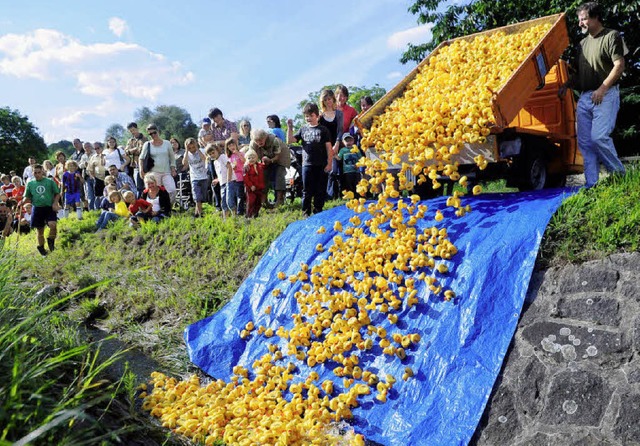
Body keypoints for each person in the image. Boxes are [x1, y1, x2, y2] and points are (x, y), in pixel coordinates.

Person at [560, 2, 626, 188]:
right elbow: (580, 74)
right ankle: (592, 184)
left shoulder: (612, 36)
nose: (580, 23)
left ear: (596, 18)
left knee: (599, 137)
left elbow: (619, 65)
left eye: (584, 19)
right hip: (586, 96)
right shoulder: (582, 44)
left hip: (606, 94)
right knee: (586, 143)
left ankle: (620, 175)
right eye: (579, 19)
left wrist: (602, 89)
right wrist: (566, 85)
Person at [286, 103, 332, 217]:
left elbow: (328, 148)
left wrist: (329, 163)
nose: (309, 118)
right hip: (307, 164)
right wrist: (290, 128)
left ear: (317, 116)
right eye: (306, 116)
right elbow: (290, 140)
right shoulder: (303, 129)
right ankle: (306, 212)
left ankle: (318, 210)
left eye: (311, 116)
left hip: (321, 164)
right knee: (307, 190)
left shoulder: (323, 129)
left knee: (320, 189)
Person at [21, 164, 61, 255]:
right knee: (40, 231)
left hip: (49, 207)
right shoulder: (30, 183)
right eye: (35, 173)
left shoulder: (49, 181)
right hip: (37, 208)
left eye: (39, 172)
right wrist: (22, 202)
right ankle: (42, 249)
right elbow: (26, 196)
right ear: (32, 173)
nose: (37, 174)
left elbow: (57, 193)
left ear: (42, 171)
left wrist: (55, 203)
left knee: (53, 225)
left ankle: (51, 240)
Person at [139, 124, 177, 203]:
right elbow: (141, 158)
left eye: (154, 133)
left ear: (158, 131)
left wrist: (173, 168)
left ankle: (168, 208)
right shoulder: (147, 144)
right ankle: (157, 209)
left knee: (172, 190)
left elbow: (172, 157)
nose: (153, 135)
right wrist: (141, 170)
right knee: (155, 192)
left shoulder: (167, 143)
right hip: (154, 172)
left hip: (166, 171)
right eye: (150, 134)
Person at [319, 89, 344, 199]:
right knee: (324, 170)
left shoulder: (339, 114)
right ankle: (325, 195)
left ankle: (333, 194)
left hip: (335, 144)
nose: (328, 101)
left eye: (329, 99)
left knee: (333, 170)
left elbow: (340, 130)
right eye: (325, 100)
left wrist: (337, 143)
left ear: (333, 99)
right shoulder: (320, 115)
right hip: (323, 147)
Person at [182, 137, 208, 218]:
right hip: (194, 178)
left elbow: (204, 158)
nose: (192, 149)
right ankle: (200, 214)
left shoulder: (201, 151)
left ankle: (197, 213)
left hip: (204, 176)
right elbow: (184, 163)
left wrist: (197, 149)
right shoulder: (187, 154)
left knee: (202, 196)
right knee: (197, 197)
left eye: (193, 147)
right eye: (190, 148)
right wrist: (186, 151)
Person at [207, 143, 230, 218]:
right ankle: (225, 218)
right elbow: (220, 174)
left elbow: (229, 167)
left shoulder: (222, 157)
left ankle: (231, 217)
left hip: (228, 182)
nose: (212, 155)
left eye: (213, 153)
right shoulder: (215, 162)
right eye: (210, 154)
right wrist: (217, 180)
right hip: (222, 183)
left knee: (228, 201)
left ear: (217, 150)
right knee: (223, 201)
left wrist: (229, 180)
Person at [125, 122, 148, 196]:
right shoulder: (130, 140)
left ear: (137, 128)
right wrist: (133, 150)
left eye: (133, 130)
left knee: (147, 185)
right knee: (139, 187)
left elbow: (142, 151)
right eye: (131, 131)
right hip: (136, 166)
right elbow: (126, 152)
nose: (133, 132)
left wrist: (132, 151)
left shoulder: (144, 138)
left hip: (146, 165)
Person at [243, 149, 265, 218]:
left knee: (258, 201)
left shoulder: (259, 166)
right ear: (246, 159)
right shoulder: (247, 168)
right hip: (251, 188)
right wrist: (251, 185)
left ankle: (255, 214)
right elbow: (245, 178)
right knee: (251, 201)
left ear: (256, 158)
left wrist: (265, 160)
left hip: (259, 187)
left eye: (253, 157)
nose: (251, 159)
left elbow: (264, 165)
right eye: (249, 158)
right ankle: (248, 215)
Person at [226, 137, 245, 215]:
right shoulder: (228, 156)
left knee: (240, 195)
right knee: (233, 196)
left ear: (236, 144)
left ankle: (240, 212)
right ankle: (234, 211)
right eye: (229, 145)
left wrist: (238, 154)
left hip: (240, 177)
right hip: (232, 178)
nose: (232, 146)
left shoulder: (241, 153)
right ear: (227, 147)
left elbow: (244, 161)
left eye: (233, 144)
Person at [87, 143, 107, 210]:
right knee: (98, 195)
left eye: (98, 148)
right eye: (95, 149)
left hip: (109, 177)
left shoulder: (107, 154)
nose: (96, 150)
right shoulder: (93, 157)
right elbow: (90, 168)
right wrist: (93, 177)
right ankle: (98, 210)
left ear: (102, 147)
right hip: (98, 178)